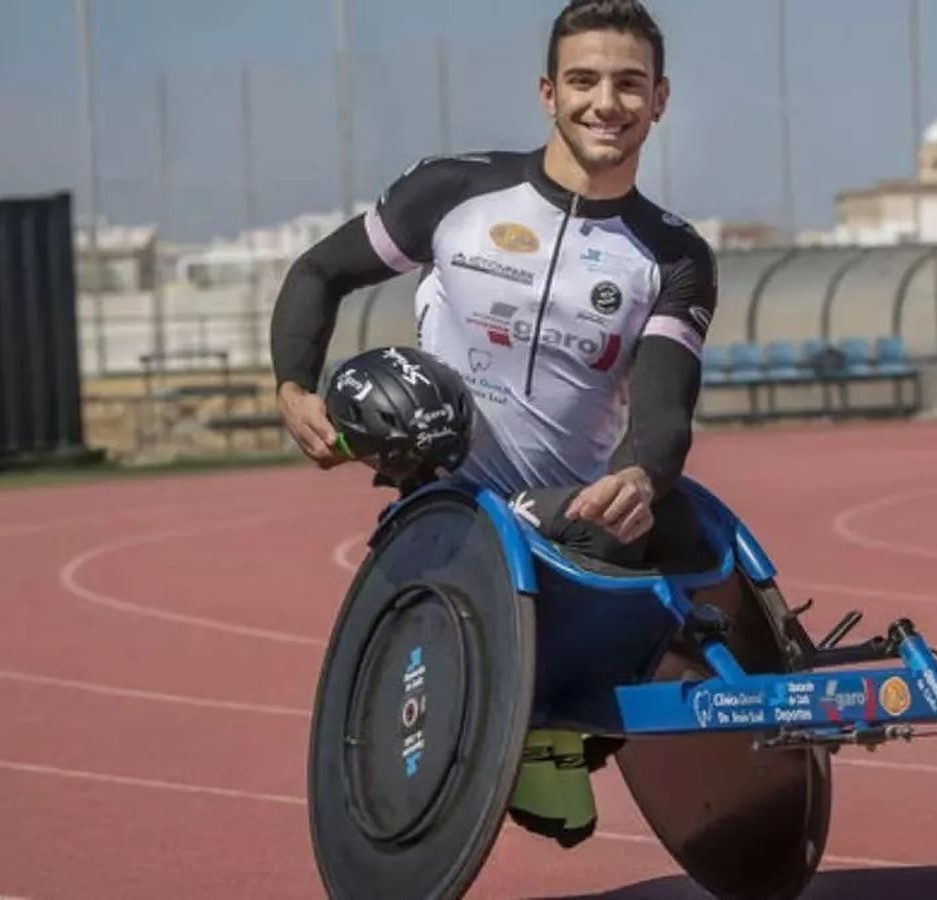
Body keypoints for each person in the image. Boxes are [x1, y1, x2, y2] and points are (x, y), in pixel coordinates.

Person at [269, 0, 711, 847]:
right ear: (549, 92)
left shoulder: (673, 254)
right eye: (584, 80)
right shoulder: (454, 191)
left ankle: (569, 718)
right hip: (451, 510)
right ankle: (538, 724)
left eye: (629, 84)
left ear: (659, 101)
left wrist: (639, 477)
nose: (605, 103)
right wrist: (295, 391)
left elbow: (662, 409)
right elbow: (320, 271)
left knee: (678, 524)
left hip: (570, 518)